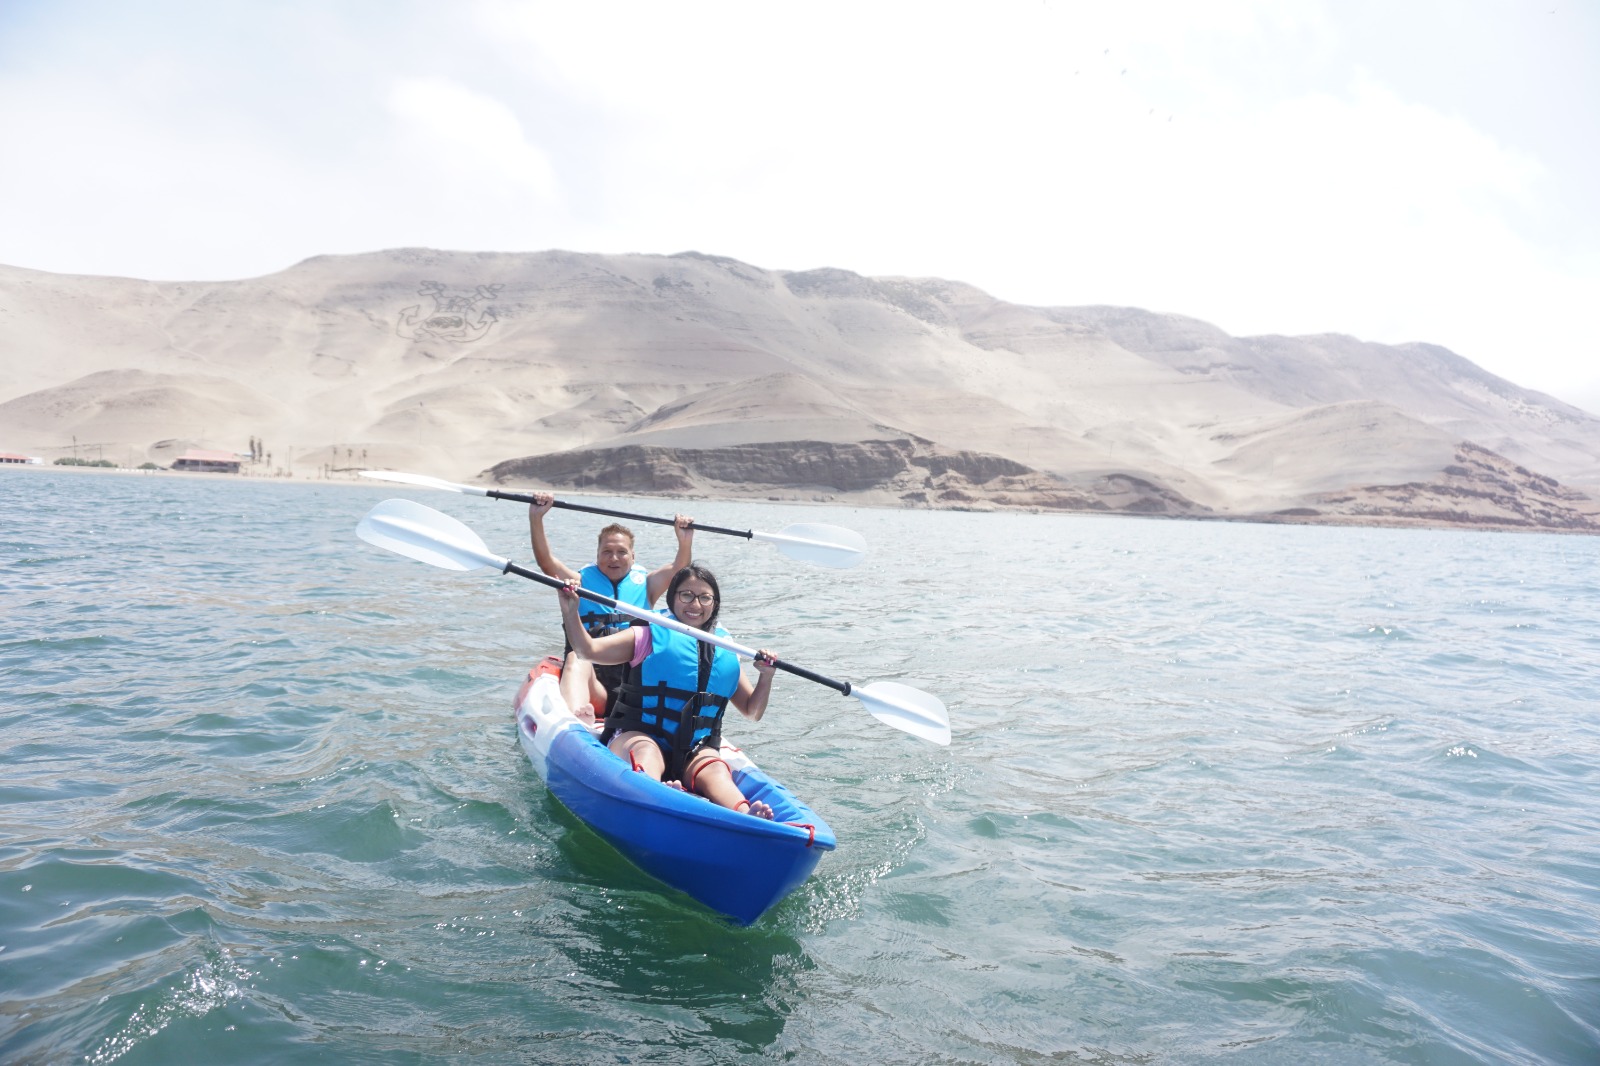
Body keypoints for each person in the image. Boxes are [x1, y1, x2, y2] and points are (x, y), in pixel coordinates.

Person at [557, 564, 778, 819]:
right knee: (647, 752)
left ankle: (746, 813)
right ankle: (656, 795)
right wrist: (570, 609)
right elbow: (588, 651)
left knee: (715, 768)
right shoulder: (646, 635)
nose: (695, 604)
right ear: (672, 597)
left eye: (705, 597)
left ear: (714, 603)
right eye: (686, 595)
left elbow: (752, 711)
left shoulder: (724, 647)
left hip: (694, 747)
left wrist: (766, 676)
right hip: (638, 734)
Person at [528, 493, 694, 722]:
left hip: (634, 686)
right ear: (597, 556)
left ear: (632, 556)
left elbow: (679, 568)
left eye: (621, 552)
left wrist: (684, 540)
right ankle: (576, 723)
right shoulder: (579, 583)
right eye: (607, 552)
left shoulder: (648, 585)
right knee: (577, 658)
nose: (614, 558)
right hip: (595, 686)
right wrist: (536, 517)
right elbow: (546, 562)